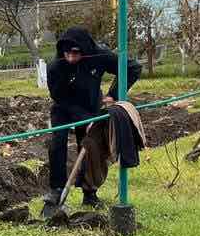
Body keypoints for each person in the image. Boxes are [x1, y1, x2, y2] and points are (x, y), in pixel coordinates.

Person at [45, 27, 140, 207]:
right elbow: (60, 98)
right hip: (64, 108)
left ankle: (89, 194)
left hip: (91, 105)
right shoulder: (55, 67)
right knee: (57, 143)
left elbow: (132, 68)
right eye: (67, 54)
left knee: (91, 147)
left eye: (75, 54)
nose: (71, 58)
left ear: (86, 51)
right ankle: (56, 190)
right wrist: (84, 119)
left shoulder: (99, 55)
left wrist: (114, 94)